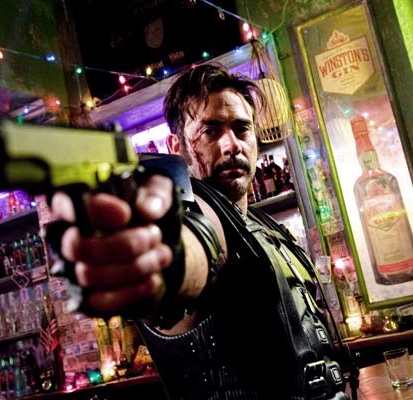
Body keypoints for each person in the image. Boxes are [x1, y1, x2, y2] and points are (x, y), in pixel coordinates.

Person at [51, 64, 351, 399]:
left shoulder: (266, 227)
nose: (231, 145)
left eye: (242, 129)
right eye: (211, 131)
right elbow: (189, 244)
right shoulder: (198, 216)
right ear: (177, 146)